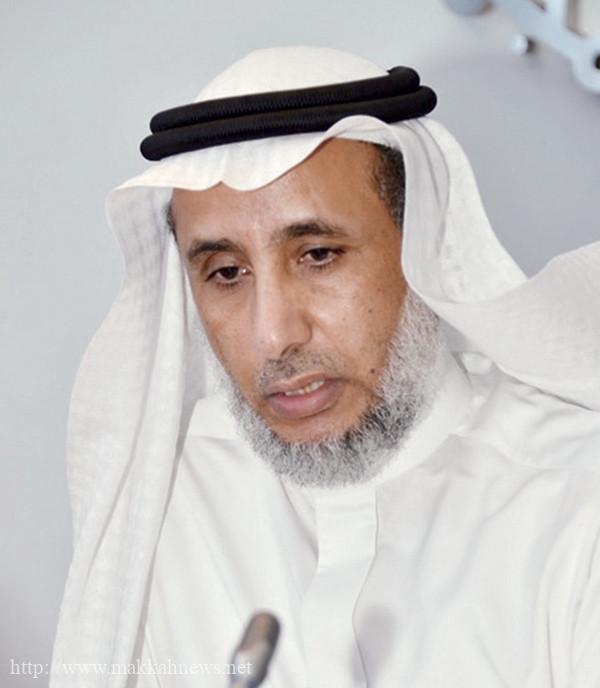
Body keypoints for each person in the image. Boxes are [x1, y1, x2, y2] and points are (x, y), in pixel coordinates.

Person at [51, 46, 600, 688]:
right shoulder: (165, 499)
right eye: (226, 273)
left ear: (423, 247)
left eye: (318, 255)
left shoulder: (575, 501)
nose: (274, 336)